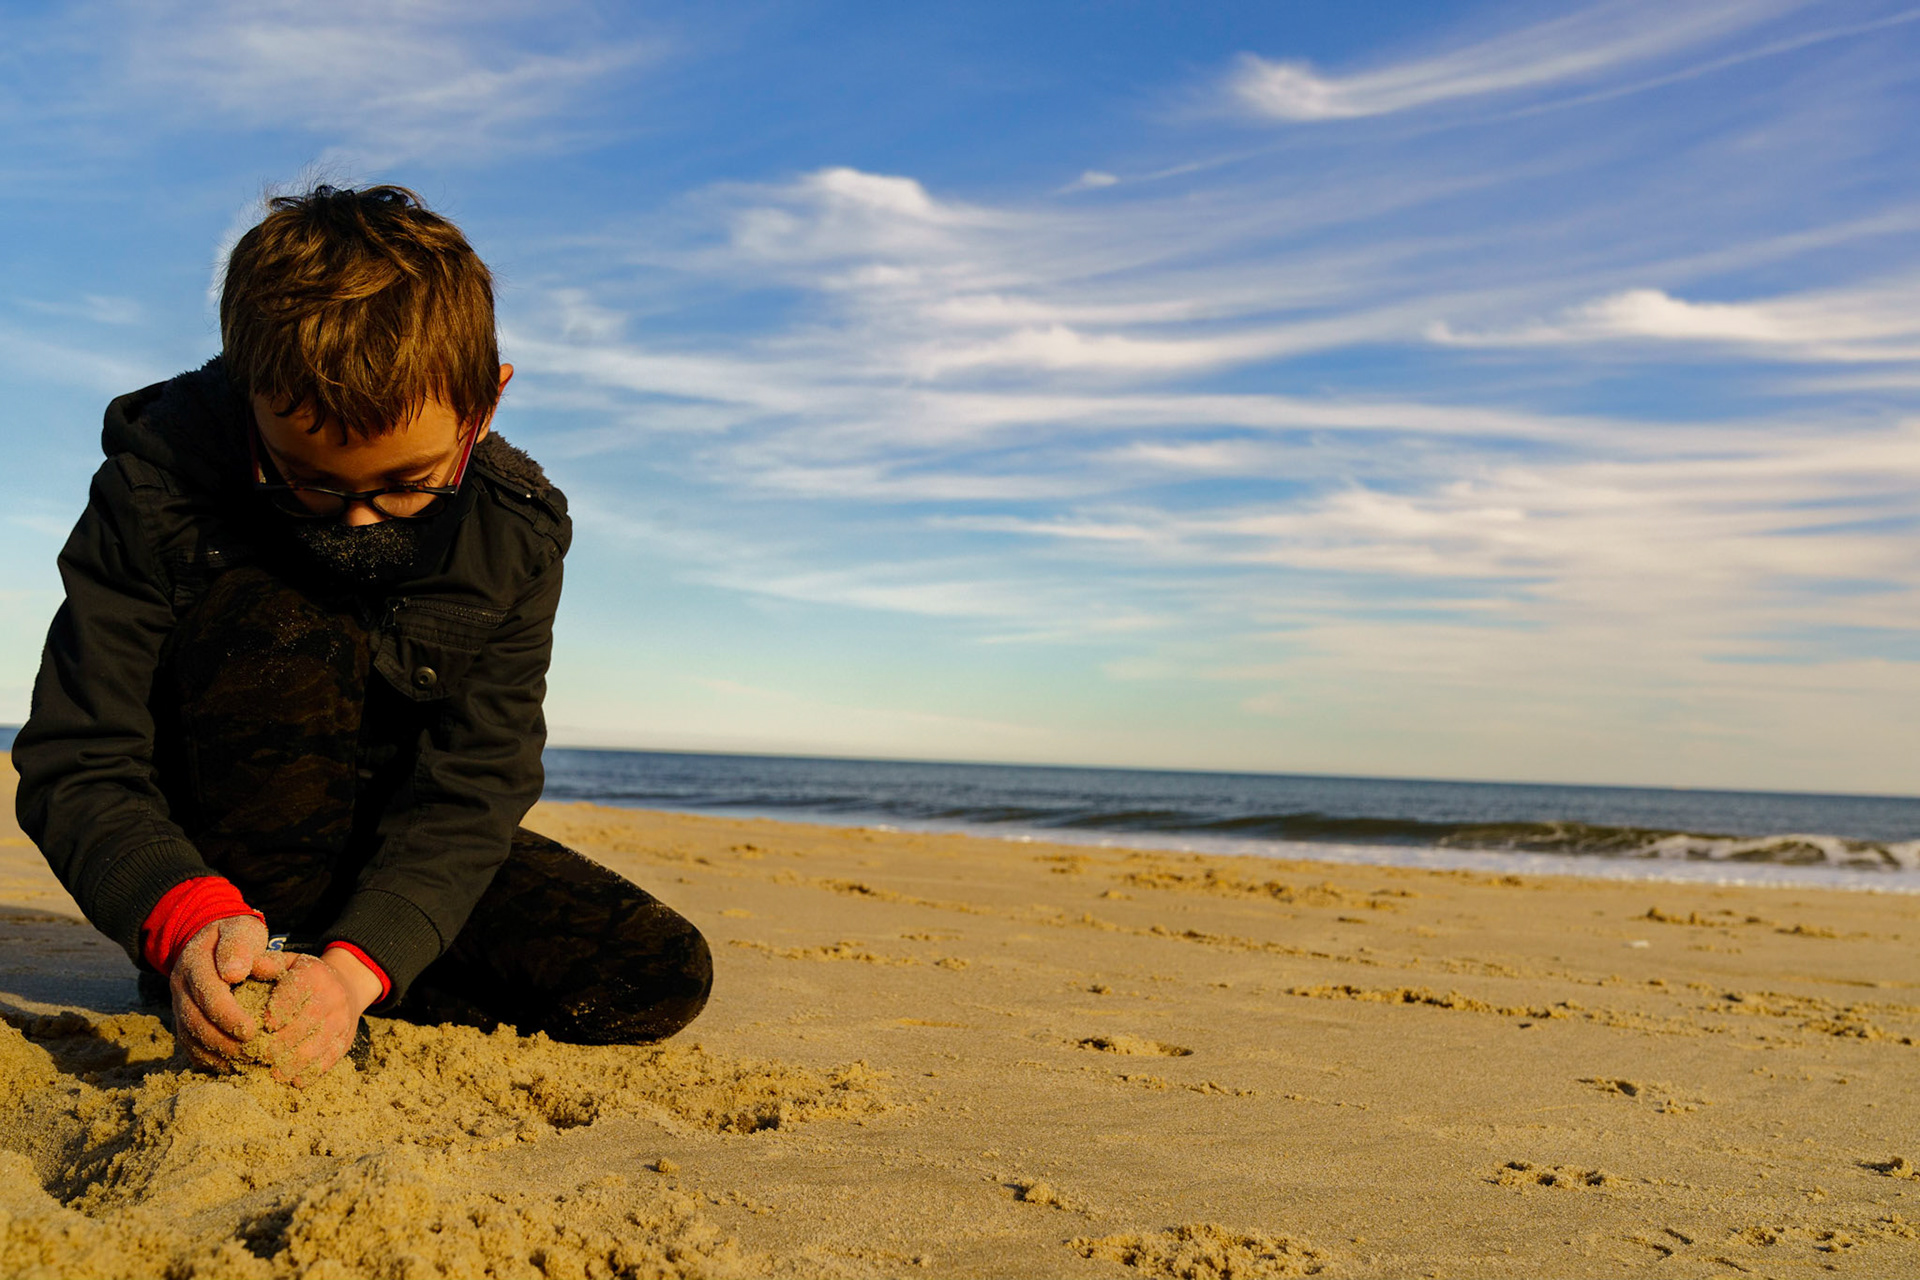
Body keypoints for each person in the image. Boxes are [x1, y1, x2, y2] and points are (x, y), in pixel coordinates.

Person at [11, 185, 711, 1088]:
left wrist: (359, 965)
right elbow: (80, 758)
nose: (360, 520)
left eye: (410, 484)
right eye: (306, 481)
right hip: (220, 877)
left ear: (484, 406)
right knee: (292, 610)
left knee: (656, 973)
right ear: (244, 389)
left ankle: (337, 980)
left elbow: (474, 787)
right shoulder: (156, 492)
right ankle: (235, 970)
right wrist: (182, 918)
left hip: (373, 865)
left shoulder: (516, 533)